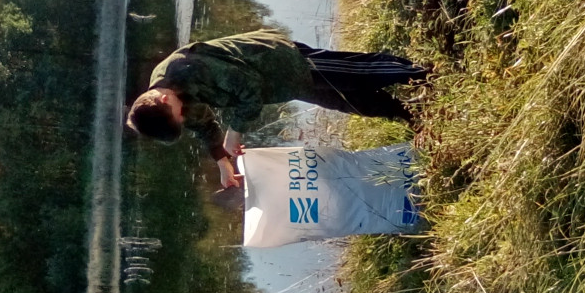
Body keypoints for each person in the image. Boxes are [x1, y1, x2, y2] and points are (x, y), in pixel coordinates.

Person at [126, 29, 427, 188]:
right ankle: (413, 114)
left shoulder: (187, 68)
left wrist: (235, 131)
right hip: (282, 86)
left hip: (282, 61)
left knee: (356, 74)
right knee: (347, 101)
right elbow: (203, 125)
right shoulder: (170, 101)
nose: (184, 117)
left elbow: (249, 88)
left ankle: (425, 74)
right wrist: (221, 161)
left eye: (178, 115)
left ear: (164, 100)